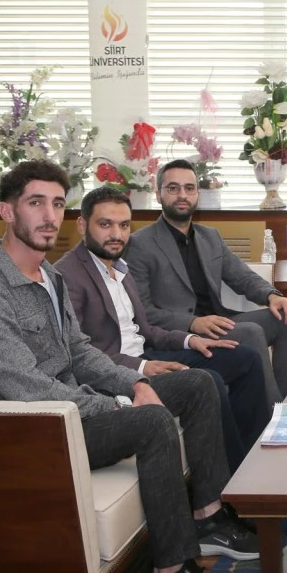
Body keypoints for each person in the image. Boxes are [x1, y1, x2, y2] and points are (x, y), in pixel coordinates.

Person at [0, 160, 257, 573]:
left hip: (70, 410)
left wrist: (136, 381)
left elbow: (80, 351)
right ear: (7, 212)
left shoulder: (48, 278)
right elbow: (28, 389)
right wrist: (116, 403)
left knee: (197, 382)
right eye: (35, 203)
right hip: (34, 433)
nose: (49, 216)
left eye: (56, 204)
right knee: (151, 421)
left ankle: (208, 518)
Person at [55, 186, 273, 471]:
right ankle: (233, 477)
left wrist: (190, 340)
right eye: (105, 224)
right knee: (208, 380)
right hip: (117, 372)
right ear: (82, 225)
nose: (116, 234)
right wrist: (142, 367)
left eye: (124, 225)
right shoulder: (67, 275)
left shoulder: (120, 267)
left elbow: (145, 329)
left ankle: (259, 461)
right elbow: (79, 353)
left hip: (147, 353)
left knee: (245, 359)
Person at [127, 159, 287, 403]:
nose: (182, 195)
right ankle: (274, 414)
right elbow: (142, 311)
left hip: (219, 321)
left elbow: (242, 276)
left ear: (197, 194)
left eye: (189, 188)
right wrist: (193, 322)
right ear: (159, 195)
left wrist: (272, 295)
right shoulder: (139, 244)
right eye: (173, 188)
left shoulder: (209, 237)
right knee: (251, 331)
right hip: (177, 334)